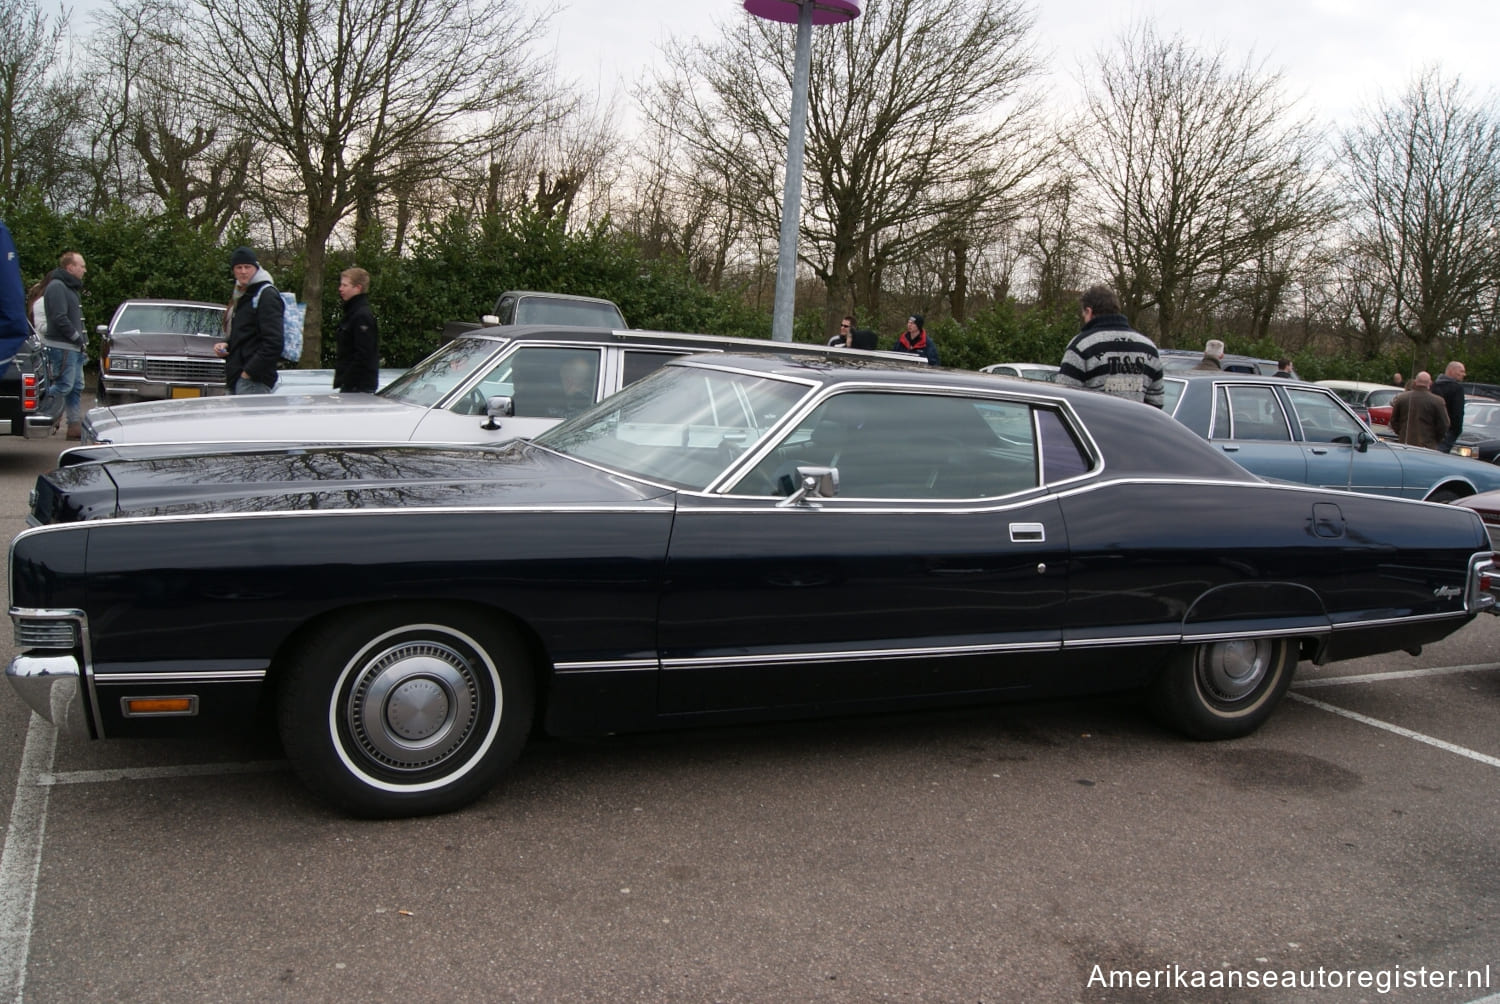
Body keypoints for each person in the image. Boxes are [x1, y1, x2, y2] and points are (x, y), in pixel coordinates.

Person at [1056, 284, 1164, 408]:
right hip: (1137, 426)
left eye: (1083, 315)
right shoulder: (1148, 348)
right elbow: (1156, 403)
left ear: (1089, 311)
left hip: (1091, 426)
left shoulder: (1082, 345)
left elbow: (1064, 397)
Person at [214, 246, 284, 394]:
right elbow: (245, 334)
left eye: (247, 267)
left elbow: (274, 342)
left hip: (253, 380)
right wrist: (227, 344)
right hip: (238, 375)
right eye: (239, 267)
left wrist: (248, 372)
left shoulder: (266, 294)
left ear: (256, 268)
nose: (243, 271)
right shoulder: (242, 293)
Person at [41, 251, 88, 438]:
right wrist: (77, 337)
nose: (84, 270)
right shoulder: (57, 286)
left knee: (75, 387)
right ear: (70, 267)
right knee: (64, 386)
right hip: (63, 346)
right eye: (81, 266)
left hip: (73, 347)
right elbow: (59, 317)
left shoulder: (69, 287)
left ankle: (74, 426)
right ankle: (39, 412)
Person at [333, 266, 379, 393]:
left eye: (345, 285)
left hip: (358, 386)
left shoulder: (361, 316)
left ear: (357, 288)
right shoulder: (352, 313)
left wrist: (347, 381)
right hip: (353, 385)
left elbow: (363, 354)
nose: (340, 289)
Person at [1390, 371, 1449, 451]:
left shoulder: (1402, 398)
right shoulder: (1438, 401)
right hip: (1428, 446)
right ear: (1430, 383)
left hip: (1405, 444)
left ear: (1415, 382)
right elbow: (1444, 424)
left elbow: (1394, 420)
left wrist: (1402, 433)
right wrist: (1435, 439)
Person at [1432, 360, 1466, 452]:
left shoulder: (1433, 386)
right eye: (1461, 371)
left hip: (1431, 430)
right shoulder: (1457, 389)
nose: (1464, 374)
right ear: (1451, 371)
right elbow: (1457, 412)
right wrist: (1456, 430)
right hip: (1448, 431)